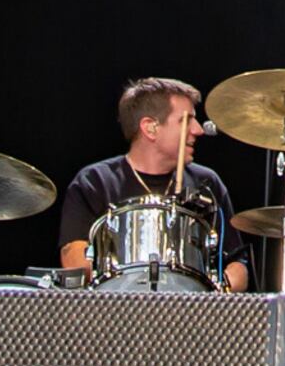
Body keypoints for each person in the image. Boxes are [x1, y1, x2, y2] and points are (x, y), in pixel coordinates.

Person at [56, 77, 249, 291]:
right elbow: (74, 260)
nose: (198, 130)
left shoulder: (207, 183)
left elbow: (236, 263)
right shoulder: (94, 181)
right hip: (112, 313)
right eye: (186, 120)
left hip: (192, 314)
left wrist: (218, 292)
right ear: (150, 128)